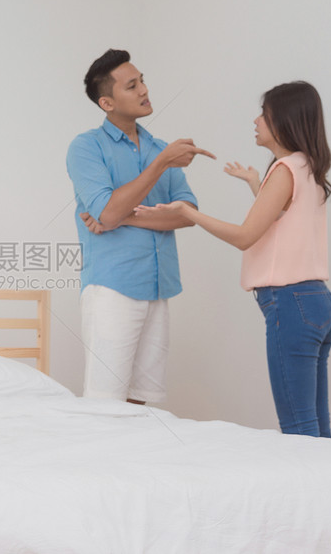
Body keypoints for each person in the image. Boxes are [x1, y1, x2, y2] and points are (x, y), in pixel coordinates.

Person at [146, 81, 331, 437]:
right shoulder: (306, 167)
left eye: (264, 115)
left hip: (291, 304)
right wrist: (255, 183)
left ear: (284, 120)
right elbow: (281, 222)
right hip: (318, 303)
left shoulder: (284, 170)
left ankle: (309, 492)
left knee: (299, 430)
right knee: (316, 427)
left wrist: (189, 214)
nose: (256, 121)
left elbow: (245, 236)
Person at [66, 49, 215, 405]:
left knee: (141, 402)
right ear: (107, 102)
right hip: (112, 287)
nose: (144, 90)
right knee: (106, 400)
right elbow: (107, 212)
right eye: (132, 86)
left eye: (142, 80)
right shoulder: (86, 147)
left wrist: (124, 216)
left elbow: (187, 213)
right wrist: (161, 164)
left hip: (159, 286)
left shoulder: (159, 148)